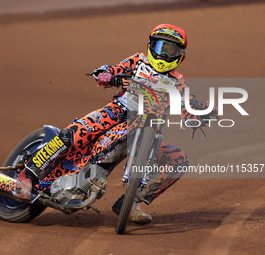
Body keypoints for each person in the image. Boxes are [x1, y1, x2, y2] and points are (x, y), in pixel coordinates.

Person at [14, 24, 210, 225]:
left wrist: (203, 114)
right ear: (151, 46)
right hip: (117, 112)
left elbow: (189, 107)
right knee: (77, 133)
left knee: (178, 160)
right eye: (161, 47)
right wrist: (106, 73)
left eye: (171, 50)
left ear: (180, 56)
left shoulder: (179, 84)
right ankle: (27, 175)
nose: (164, 54)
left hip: (149, 126)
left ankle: (132, 202)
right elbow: (114, 69)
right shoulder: (138, 62)